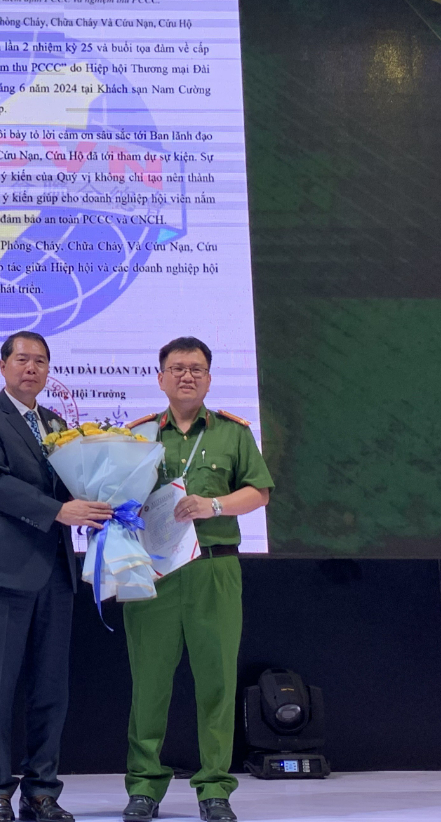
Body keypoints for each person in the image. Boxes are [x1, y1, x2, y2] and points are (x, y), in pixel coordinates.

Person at [0, 331, 113, 822]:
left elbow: (71, 485)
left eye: (41, 361)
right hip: (1, 572)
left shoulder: (56, 424)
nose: (32, 368)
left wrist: (108, 493)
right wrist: (59, 511)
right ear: (2, 366)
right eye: (23, 359)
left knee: (51, 690)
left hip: (55, 572)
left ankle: (42, 791)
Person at [121, 337, 274, 822]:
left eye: (196, 369)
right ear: (160, 377)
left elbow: (259, 492)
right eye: (177, 368)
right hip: (155, 571)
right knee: (149, 683)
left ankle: (214, 789)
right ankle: (144, 786)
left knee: (217, 681)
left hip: (214, 567)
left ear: (208, 378)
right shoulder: (138, 435)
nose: (186, 376)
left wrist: (214, 504)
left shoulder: (233, 433)